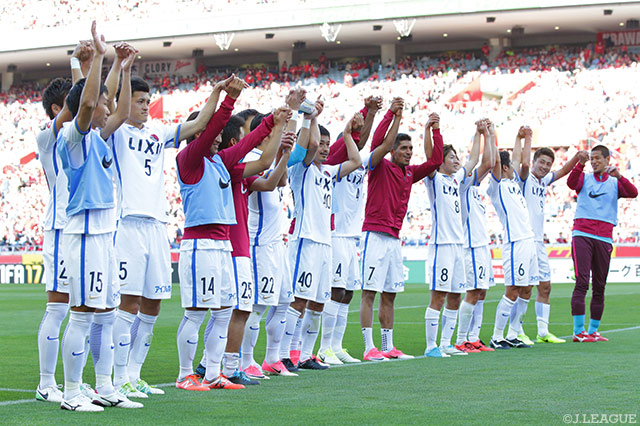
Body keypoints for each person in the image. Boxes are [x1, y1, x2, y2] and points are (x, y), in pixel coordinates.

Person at [111, 66, 236, 397]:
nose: (145, 106)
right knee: (129, 302)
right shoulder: (117, 131)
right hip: (128, 222)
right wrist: (123, 69)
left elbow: (198, 124)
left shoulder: (158, 132)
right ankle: (118, 378)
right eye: (139, 101)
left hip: (157, 225)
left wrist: (217, 91)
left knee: (153, 304)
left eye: (147, 101)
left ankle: (134, 375)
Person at [174, 74, 289, 391]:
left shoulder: (219, 162)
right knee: (196, 313)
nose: (218, 136)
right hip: (200, 244)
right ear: (198, 133)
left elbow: (246, 146)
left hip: (222, 245)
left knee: (224, 312)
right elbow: (215, 131)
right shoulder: (190, 158)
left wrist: (272, 123)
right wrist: (228, 100)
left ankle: (213, 373)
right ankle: (185, 374)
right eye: (211, 131)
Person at [57, 21, 141, 411]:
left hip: (105, 236)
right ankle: (71, 393)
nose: (108, 107)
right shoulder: (72, 138)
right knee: (82, 315)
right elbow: (90, 102)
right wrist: (100, 58)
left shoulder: (99, 136)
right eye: (103, 102)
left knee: (106, 315)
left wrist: (123, 69)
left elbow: (120, 111)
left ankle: (105, 386)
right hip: (85, 235)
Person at [360, 98, 443, 361]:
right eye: (404, 148)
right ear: (393, 151)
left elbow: (436, 160)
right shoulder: (379, 165)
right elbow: (379, 143)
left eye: (411, 148)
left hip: (394, 239)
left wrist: (434, 130)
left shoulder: (409, 173)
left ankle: (387, 347)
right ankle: (368, 347)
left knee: (390, 294)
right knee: (369, 293)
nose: (409, 152)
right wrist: (392, 115)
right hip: (374, 234)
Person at [286, 106, 363, 370]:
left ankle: (306, 354)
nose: (325, 148)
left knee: (319, 301)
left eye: (329, 144)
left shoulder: (328, 172)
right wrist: (313, 117)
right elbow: (311, 144)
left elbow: (356, 162)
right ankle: (287, 353)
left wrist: (347, 135)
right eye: (322, 144)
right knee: (299, 300)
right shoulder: (301, 169)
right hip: (305, 240)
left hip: (325, 243)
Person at [316, 95, 380, 365]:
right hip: (337, 234)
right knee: (336, 291)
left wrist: (371, 113)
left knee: (348, 293)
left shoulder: (355, 158)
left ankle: (336, 346)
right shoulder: (334, 160)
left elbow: (360, 141)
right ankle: (324, 348)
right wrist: (364, 112)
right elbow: (356, 140)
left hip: (351, 235)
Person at [517, 142, 586, 344]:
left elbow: (563, 171)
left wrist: (577, 158)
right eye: (542, 162)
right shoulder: (525, 178)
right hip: (525, 240)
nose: (545, 167)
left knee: (545, 286)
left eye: (548, 164)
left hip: (539, 242)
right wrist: (526, 138)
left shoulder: (543, 181)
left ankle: (542, 332)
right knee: (524, 288)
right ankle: (517, 330)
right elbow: (523, 165)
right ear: (534, 162)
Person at [567, 145, 637, 342]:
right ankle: (578, 331)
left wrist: (620, 176)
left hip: (604, 237)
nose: (594, 161)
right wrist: (579, 165)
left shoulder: (615, 182)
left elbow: (633, 193)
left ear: (607, 160)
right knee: (582, 282)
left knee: (600, 285)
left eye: (598, 158)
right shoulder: (584, 177)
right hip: (582, 234)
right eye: (592, 158)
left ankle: (593, 331)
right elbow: (571, 184)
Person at [423, 113, 476, 358]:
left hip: (457, 246)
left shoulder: (456, 180)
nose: (457, 160)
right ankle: (431, 346)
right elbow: (429, 156)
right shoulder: (434, 178)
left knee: (456, 296)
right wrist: (430, 129)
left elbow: (473, 160)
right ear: (441, 161)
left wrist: (480, 133)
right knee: (439, 296)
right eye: (451, 157)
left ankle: (446, 343)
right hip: (442, 245)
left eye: (456, 156)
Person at [486, 127, 539, 350]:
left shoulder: (513, 182)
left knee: (527, 289)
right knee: (513, 289)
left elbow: (517, 158)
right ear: (504, 168)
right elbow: (499, 161)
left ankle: (514, 333)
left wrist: (519, 138)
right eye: (507, 165)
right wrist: (490, 133)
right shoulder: (496, 186)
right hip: (515, 242)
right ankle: (497, 336)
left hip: (529, 240)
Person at [454, 119, 497, 353]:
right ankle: (462, 339)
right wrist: (479, 134)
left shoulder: (474, 188)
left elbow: (489, 163)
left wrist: (490, 134)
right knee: (472, 292)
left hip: (482, 245)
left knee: (482, 292)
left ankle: (474, 337)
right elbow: (484, 162)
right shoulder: (461, 185)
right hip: (470, 245)